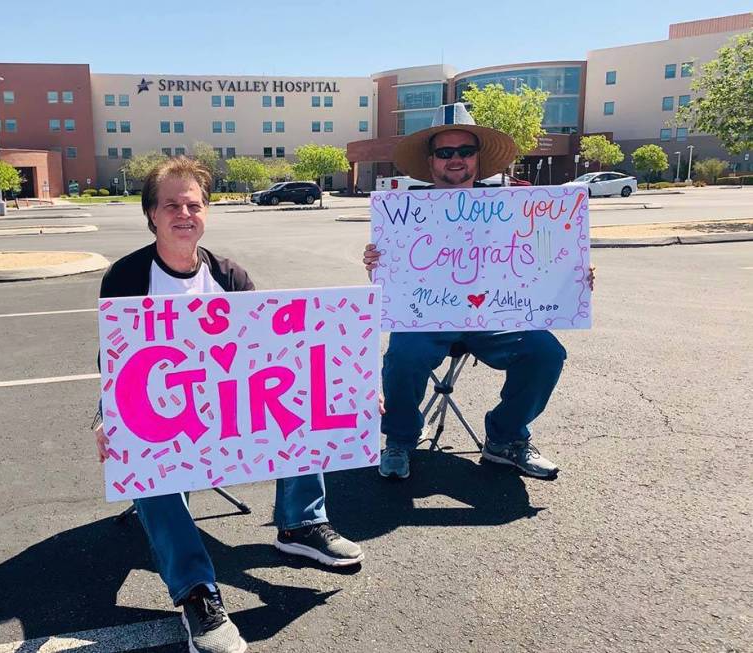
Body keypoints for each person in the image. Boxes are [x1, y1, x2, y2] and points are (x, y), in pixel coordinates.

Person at [94, 157, 364, 653]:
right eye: (170, 204)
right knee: (146, 459)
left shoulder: (229, 275)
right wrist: (105, 416)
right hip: (159, 404)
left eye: (193, 204)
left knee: (302, 402)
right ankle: (197, 591)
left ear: (206, 212)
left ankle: (301, 521)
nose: (183, 213)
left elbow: (270, 353)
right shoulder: (127, 277)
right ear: (151, 214)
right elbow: (113, 362)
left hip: (224, 400)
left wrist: (354, 386)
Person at [363, 103, 595, 481]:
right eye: (445, 152)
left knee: (546, 353)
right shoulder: (404, 211)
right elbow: (396, 272)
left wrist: (571, 277)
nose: (456, 159)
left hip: (497, 317)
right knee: (403, 354)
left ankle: (505, 439)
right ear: (431, 160)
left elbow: (543, 257)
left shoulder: (513, 206)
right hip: (429, 316)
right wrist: (377, 262)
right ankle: (400, 439)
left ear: (478, 158)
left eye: (465, 151)